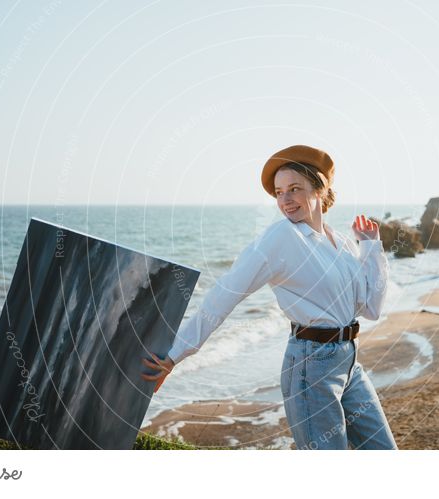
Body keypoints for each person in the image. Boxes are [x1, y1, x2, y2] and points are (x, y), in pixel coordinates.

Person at [141, 144, 398, 450]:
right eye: (278, 193)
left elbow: (372, 308)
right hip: (309, 367)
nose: (285, 200)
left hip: (349, 361)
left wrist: (371, 248)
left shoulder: (340, 242)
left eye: (294, 189)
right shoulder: (280, 238)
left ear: (319, 189)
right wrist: (174, 356)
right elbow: (225, 293)